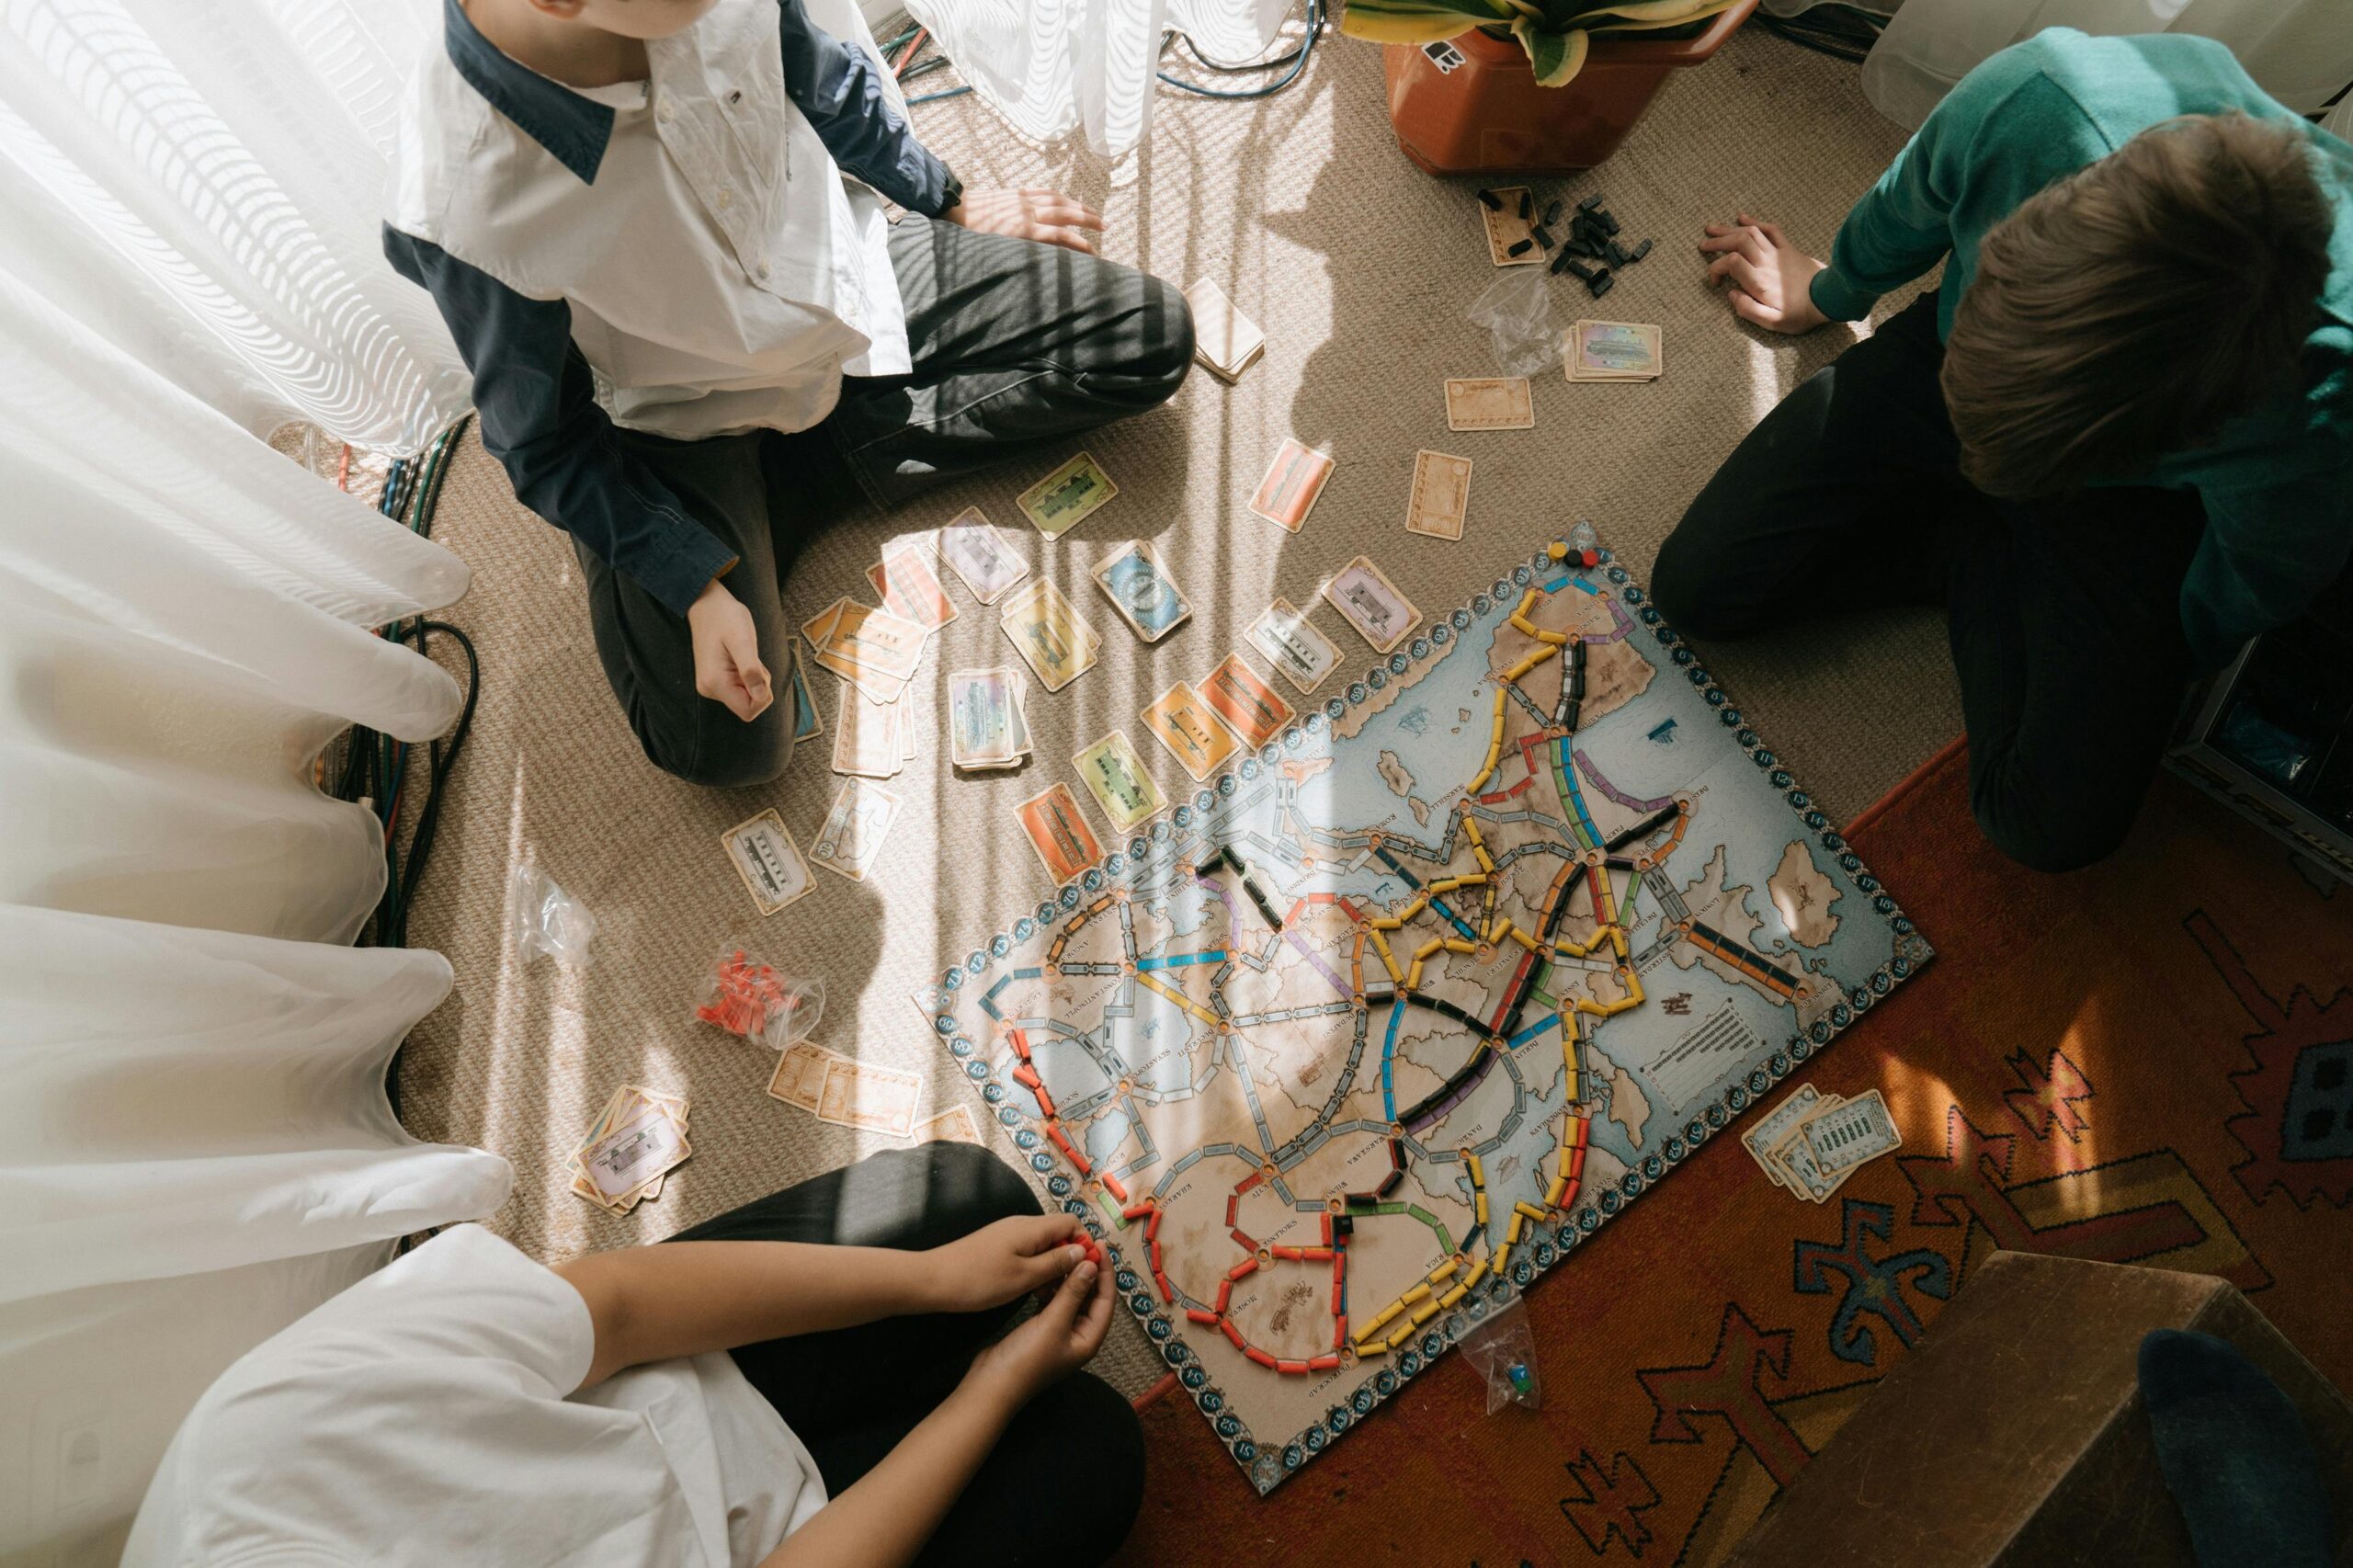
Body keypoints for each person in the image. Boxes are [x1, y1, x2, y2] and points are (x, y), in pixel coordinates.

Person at [383, 0, 1194, 787]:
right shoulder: (463, 206)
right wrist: (692, 581)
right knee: (725, 747)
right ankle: (741, 513)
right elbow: (542, 442)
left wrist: (944, 196)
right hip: (677, 416)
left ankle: (787, 489)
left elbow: (821, 75)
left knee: (1150, 340)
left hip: (837, 291)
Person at [1656, 28, 2351, 873]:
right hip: (1949, 371)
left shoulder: (2328, 398)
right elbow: (1909, 203)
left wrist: (2157, 657)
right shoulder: (2039, 96)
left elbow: (2260, 569)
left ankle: (1969, 551)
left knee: (2049, 828)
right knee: (1699, 591)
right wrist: (1832, 290)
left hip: (2133, 509)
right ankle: (1975, 530)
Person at [123, 1143, 1145, 1566]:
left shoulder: (262, 1435)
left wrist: (937, 1281)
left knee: (973, 1202)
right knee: (1093, 1449)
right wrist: (989, 1391)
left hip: (684, 1375)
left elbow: (614, 1310)